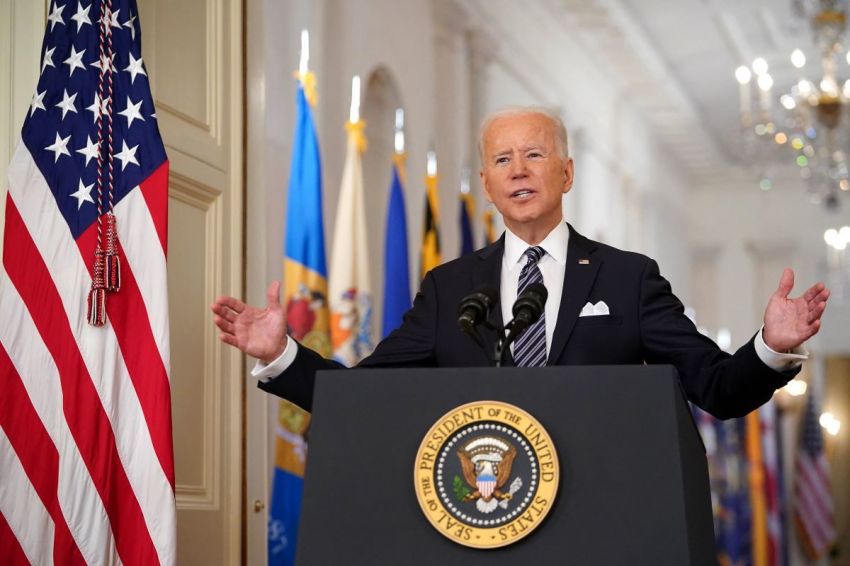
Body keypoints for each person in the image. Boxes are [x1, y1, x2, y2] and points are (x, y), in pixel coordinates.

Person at [212, 106, 829, 418]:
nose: (519, 170)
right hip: (478, 516)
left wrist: (771, 346)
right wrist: (282, 356)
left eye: (535, 154)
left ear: (565, 172)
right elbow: (367, 395)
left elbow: (716, 389)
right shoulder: (449, 286)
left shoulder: (628, 277)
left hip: (603, 516)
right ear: (485, 182)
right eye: (502, 160)